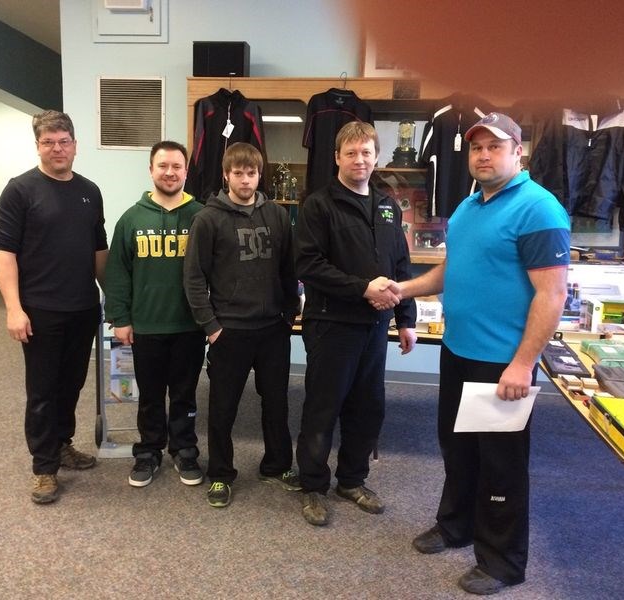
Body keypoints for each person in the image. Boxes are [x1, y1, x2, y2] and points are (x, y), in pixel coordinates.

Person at [397, 112, 570, 595]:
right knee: (458, 450)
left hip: (502, 363)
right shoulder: (470, 207)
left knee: (501, 465)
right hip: (458, 351)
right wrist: (403, 289)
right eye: (477, 148)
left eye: (495, 147)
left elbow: (552, 295)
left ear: (519, 153)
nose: (484, 155)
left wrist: (522, 363)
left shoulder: (539, 209)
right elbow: (451, 272)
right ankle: (455, 526)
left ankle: (502, 562)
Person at [294, 121, 417, 527]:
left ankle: (352, 480)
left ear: (376, 156)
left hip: (375, 328)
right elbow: (309, 265)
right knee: (323, 408)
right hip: (332, 325)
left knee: (368, 408)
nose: (359, 160)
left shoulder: (387, 206)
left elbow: (400, 265)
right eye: (351, 153)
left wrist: (406, 319)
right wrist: (363, 287)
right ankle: (313, 485)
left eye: (366, 152)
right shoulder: (319, 205)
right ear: (337, 158)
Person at [0, 110, 108, 505]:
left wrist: (116, 299)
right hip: (40, 309)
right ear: (38, 146)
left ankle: (62, 444)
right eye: (49, 142)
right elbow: (4, 254)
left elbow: (98, 251)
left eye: (63, 141)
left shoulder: (90, 191)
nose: (57, 149)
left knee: (71, 384)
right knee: (42, 390)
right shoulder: (20, 190)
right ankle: (43, 468)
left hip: (82, 308)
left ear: (74, 144)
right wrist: (13, 308)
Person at [183, 142, 300, 508]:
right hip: (228, 331)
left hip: (272, 331)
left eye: (251, 173)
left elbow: (289, 270)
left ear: (259, 175)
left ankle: (276, 466)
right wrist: (211, 326)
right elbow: (194, 278)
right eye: (238, 173)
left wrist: (288, 314)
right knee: (222, 408)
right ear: (226, 175)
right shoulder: (208, 218)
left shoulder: (278, 216)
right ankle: (220, 474)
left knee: (276, 403)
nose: (245, 180)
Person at [104, 141, 206, 489]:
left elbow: (217, 272)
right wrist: (120, 318)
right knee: (148, 396)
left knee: (184, 395)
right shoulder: (131, 218)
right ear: (151, 170)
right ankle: (148, 451)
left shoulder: (201, 216)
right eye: (162, 166)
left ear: (186, 171)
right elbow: (118, 273)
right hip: (145, 325)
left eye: (177, 166)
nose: (169, 172)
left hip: (189, 326)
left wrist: (212, 320)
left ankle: (184, 449)